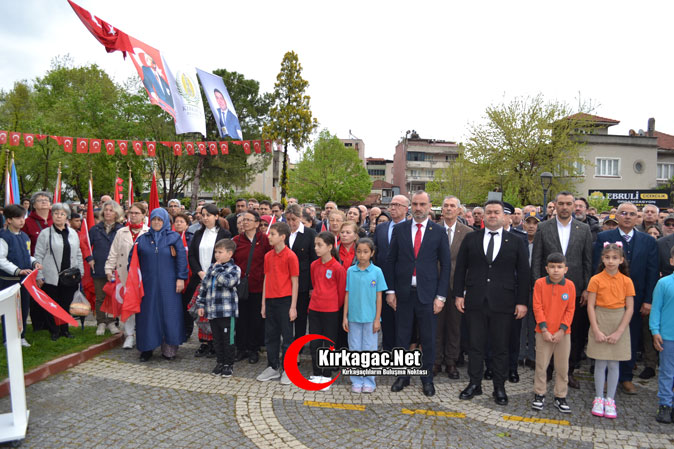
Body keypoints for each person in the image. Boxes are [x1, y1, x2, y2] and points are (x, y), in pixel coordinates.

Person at [454, 200, 530, 406]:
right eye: (489, 212)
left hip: (504, 303)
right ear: (484, 215)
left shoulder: (515, 241)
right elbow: (460, 268)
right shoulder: (471, 238)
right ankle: (474, 383)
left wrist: (522, 302)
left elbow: (524, 273)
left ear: (504, 216)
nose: (493, 215)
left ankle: (499, 386)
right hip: (475, 301)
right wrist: (459, 295)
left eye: (497, 212)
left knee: (500, 347)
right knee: (475, 345)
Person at [385, 191, 451, 397]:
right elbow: (390, 261)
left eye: (422, 204)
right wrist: (390, 291)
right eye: (415, 204)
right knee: (402, 337)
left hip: (428, 295)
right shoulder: (400, 229)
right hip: (403, 294)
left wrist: (441, 297)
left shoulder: (438, 231)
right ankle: (402, 376)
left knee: (428, 339)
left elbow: (446, 265)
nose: (418, 208)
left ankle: (427, 378)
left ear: (429, 206)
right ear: (410, 206)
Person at [593, 202, 658, 395]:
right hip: (606, 300)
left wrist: (648, 300)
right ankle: (605, 377)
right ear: (617, 216)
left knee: (631, 336)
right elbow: (596, 267)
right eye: (623, 213)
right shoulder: (604, 237)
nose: (627, 217)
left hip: (635, 299)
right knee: (606, 336)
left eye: (631, 214)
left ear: (637, 217)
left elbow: (652, 272)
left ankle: (626, 377)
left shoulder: (648, 241)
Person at [532, 191, 593, 390]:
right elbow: (537, 260)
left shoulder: (584, 229)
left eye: (568, 203)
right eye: (561, 203)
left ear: (574, 206)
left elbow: (587, 261)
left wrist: (586, 288)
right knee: (548, 330)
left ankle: (568, 371)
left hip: (575, 290)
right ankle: (547, 370)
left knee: (572, 333)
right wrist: (536, 285)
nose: (565, 207)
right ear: (555, 205)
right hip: (548, 291)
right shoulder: (543, 227)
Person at [587, 243, 635, 419]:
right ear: (602, 259)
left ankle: (610, 399)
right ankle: (599, 397)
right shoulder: (595, 279)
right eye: (607, 257)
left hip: (618, 321)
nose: (611, 261)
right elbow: (590, 306)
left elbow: (629, 308)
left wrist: (619, 332)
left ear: (621, 260)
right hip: (600, 319)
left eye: (615, 258)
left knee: (614, 363)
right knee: (600, 363)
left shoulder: (627, 281)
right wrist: (596, 329)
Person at [135, 208, 188, 362]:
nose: (157, 222)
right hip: (148, 284)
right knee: (148, 315)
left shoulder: (173, 237)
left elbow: (181, 259)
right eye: (154, 219)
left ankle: (169, 349)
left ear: (165, 221)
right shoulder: (142, 239)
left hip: (169, 283)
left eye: (160, 219)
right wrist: (134, 281)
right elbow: (133, 261)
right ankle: (147, 348)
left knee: (170, 314)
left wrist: (181, 278)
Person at [531, 252, 575, 414]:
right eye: (552, 267)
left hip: (563, 333)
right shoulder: (540, 284)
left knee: (562, 367)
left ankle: (560, 396)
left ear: (565, 269)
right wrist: (544, 329)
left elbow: (570, 309)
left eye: (559, 267)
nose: (556, 270)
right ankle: (539, 394)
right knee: (541, 365)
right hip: (543, 332)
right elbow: (537, 307)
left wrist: (562, 330)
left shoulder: (570, 285)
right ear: (546, 268)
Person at [185, 204, 232, 354]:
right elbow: (191, 255)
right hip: (200, 277)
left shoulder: (224, 234)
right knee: (201, 312)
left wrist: (214, 272)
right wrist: (199, 271)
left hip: (217, 279)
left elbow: (227, 255)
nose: (205, 218)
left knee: (214, 312)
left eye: (208, 215)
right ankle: (204, 342)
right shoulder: (198, 234)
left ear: (216, 216)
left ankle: (215, 343)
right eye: (203, 215)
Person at [435, 196, 473, 379]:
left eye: (452, 206)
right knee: (436, 326)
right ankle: (435, 361)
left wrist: (464, 289)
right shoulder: (433, 229)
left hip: (457, 286)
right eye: (446, 206)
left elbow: (470, 263)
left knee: (454, 326)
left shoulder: (467, 232)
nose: (449, 209)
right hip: (436, 285)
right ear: (442, 210)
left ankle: (451, 361)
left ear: (459, 210)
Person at [34, 203, 84, 341]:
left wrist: (81, 271)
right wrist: (39, 274)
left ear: (67, 217)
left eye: (62, 214)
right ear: (52, 215)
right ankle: (54, 330)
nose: (58, 216)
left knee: (66, 304)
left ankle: (65, 329)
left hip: (70, 276)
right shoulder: (45, 233)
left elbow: (78, 253)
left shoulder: (73, 233)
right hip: (51, 276)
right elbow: (38, 255)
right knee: (53, 304)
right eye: (56, 213)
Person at [257, 222, 299, 385]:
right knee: (271, 336)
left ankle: (288, 369)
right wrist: (263, 303)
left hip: (285, 301)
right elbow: (266, 279)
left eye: (273, 234)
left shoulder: (291, 256)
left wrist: (293, 306)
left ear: (282, 237)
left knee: (287, 337)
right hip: (270, 300)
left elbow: (295, 282)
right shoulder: (268, 256)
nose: (269, 236)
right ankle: (272, 366)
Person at [344, 237, 386, 393]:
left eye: (366, 252)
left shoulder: (377, 272)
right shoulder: (350, 271)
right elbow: (347, 294)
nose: (362, 255)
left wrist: (377, 319)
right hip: (354, 317)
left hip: (370, 318)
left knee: (369, 349)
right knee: (354, 349)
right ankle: (356, 380)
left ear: (372, 253)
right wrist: (345, 316)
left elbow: (379, 297)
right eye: (359, 252)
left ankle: (369, 381)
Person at [104, 202, 149, 349]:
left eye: (137, 213)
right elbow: (114, 252)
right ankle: (129, 335)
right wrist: (109, 268)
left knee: (142, 305)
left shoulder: (148, 232)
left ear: (143, 215)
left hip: (143, 275)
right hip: (124, 274)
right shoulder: (121, 232)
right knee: (128, 305)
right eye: (131, 213)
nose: (133, 216)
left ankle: (142, 334)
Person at [196, 239, 241, 378]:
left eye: (220, 252)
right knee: (217, 339)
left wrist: (217, 270)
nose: (217, 255)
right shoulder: (212, 268)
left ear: (230, 253)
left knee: (228, 339)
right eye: (216, 252)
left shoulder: (234, 269)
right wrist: (201, 304)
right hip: (213, 311)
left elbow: (229, 282)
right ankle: (220, 362)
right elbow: (204, 287)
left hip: (227, 312)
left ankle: (228, 364)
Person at [309, 232, 346, 390]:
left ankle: (327, 375)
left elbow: (341, 291)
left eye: (320, 245)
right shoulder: (314, 265)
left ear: (330, 247)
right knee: (315, 343)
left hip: (330, 311)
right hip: (314, 309)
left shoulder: (338, 268)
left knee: (329, 343)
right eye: (315, 245)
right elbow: (314, 283)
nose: (316, 248)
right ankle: (317, 373)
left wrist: (333, 306)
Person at [0, 205, 42, 347]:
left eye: (23, 217)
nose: (22, 221)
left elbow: (27, 254)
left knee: (23, 308)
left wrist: (34, 262)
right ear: (9, 220)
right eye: (18, 218)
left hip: (24, 281)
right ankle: (8, 339)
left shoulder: (24, 236)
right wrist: (17, 270)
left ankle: (21, 335)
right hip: (9, 281)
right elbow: (1, 260)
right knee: (10, 309)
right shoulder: (3, 237)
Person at [233, 211, 271, 363]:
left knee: (256, 320)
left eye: (249, 220)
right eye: (243, 220)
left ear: (257, 223)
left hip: (259, 286)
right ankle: (241, 348)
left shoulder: (265, 240)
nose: (245, 222)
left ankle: (253, 349)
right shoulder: (236, 240)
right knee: (241, 319)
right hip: (240, 287)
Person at [372, 195, 409, 351]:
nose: (393, 207)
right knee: (386, 321)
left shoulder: (411, 228)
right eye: (392, 204)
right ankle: (387, 351)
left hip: (404, 283)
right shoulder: (381, 228)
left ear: (406, 209)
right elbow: (376, 253)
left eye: (397, 205)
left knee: (403, 324)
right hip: (383, 282)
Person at [89, 200, 125, 336]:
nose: (108, 212)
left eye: (111, 210)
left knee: (112, 297)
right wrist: (89, 258)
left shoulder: (121, 230)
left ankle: (111, 322)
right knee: (100, 297)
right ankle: (101, 322)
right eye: (106, 210)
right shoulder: (95, 229)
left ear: (116, 213)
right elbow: (86, 245)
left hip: (116, 269)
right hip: (99, 267)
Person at [284, 204, 317, 343]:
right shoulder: (283, 233)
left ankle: (299, 343)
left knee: (301, 315)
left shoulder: (310, 234)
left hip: (303, 281)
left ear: (300, 217)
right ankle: (287, 342)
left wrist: (312, 286)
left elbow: (314, 261)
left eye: (294, 219)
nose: (291, 223)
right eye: (288, 219)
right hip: (285, 281)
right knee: (286, 314)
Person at [650, 246, 674, 423]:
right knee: (667, 371)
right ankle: (665, 404)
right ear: (672, 261)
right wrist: (655, 330)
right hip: (668, 335)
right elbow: (656, 308)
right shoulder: (664, 283)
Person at [22, 192, 52, 257]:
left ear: (50, 204)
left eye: (46, 200)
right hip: (36, 259)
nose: (44, 202)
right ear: (34, 205)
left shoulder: (57, 219)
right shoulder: (27, 222)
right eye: (40, 200)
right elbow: (23, 245)